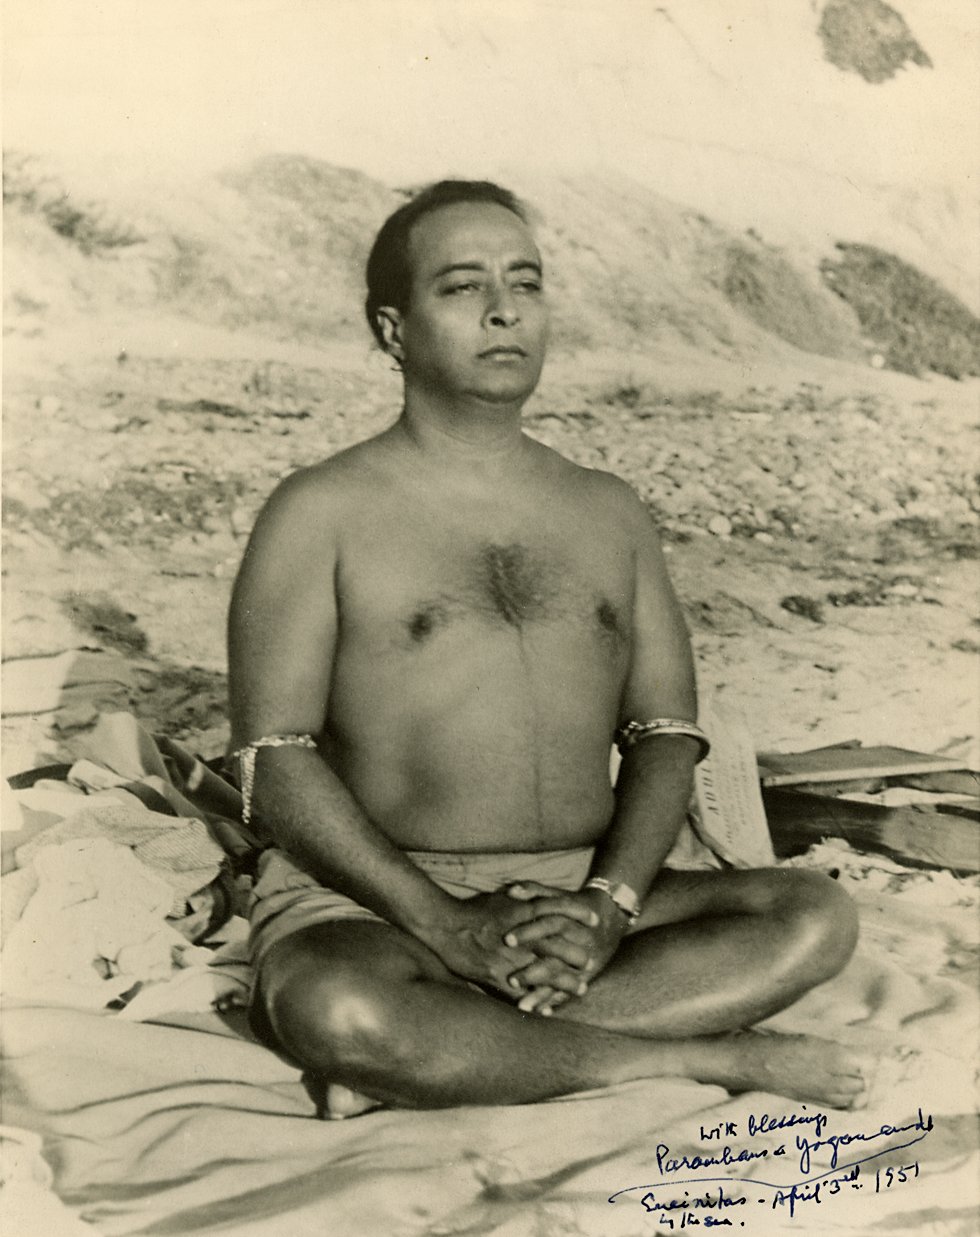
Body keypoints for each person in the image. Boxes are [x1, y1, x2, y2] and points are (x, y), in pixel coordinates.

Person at [227, 179, 866, 1119]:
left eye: (525, 283)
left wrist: (610, 904)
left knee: (812, 915)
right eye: (462, 287)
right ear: (393, 330)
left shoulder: (607, 508)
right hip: (387, 898)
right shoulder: (320, 509)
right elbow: (271, 761)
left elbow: (664, 733)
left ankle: (461, 1050)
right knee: (337, 1003)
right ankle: (690, 1057)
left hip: (585, 882)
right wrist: (445, 924)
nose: (503, 310)